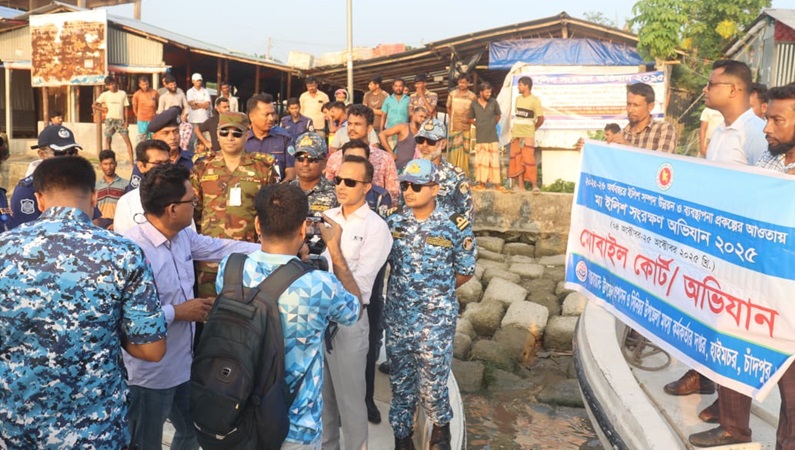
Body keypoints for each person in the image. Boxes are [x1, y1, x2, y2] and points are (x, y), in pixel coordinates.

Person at [0, 156, 167, 449]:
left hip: (17, 432)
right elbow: (152, 349)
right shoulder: (124, 253)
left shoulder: (4, 250)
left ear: (39, 199)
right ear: (94, 197)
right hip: (97, 433)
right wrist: (106, 327)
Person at [215, 183, 362, 449]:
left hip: (238, 413)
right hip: (296, 428)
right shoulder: (319, 285)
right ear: (303, 229)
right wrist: (335, 250)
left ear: (258, 225)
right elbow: (354, 311)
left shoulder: (230, 269)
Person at [123, 164, 260, 450]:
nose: (196, 208)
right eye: (192, 202)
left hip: (184, 366)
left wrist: (271, 249)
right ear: (173, 209)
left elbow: (219, 248)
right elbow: (125, 321)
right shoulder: (132, 251)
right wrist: (178, 312)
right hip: (149, 376)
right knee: (145, 444)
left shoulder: (183, 236)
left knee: (193, 433)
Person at [688, 82, 793, 449]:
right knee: (733, 348)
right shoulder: (769, 161)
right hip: (750, 278)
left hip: (788, 292)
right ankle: (733, 428)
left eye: (777, 121)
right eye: (768, 119)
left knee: (792, 383)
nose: (767, 128)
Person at [386, 158, 476, 450]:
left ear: (434, 189)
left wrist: (436, 292)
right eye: (405, 185)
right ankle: (402, 435)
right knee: (401, 380)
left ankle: (440, 427)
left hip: (435, 318)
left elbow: (465, 270)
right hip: (398, 316)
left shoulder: (454, 224)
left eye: (416, 186)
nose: (408, 191)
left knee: (434, 380)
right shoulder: (393, 221)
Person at [320, 154, 392, 449]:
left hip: (349, 322)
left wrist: (334, 247)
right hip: (317, 317)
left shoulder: (376, 228)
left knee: (351, 403)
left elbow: (358, 293)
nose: (341, 186)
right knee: (321, 401)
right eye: (338, 179)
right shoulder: (327, 216)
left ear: (367, 186)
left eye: (350, 181)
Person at [192, 111, 276, 298]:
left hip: (248, 257)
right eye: (224, 132)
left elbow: (270, 213)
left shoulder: (263, 168)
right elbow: (194, 211)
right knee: (208, 311)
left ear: (247, 135)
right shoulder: (202, 167)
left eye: (237, 133)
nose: (230, 138)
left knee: (244, 310)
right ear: (217, 135)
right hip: (209, 259)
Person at [10, 125, 81, 229]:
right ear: (42, 154)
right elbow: (27, 233)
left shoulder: (81, 185)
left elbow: (94, 222)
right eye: (60, 153)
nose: (67, 158)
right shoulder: (27, 191)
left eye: (71, 152)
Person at [325, 104, 400, 201]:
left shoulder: (384, 158)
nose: (352, 128)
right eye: (349, 124)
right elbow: (329, 190)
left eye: (357, 124)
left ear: (369, 128)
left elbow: (393, 193)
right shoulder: (335, 158)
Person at [703, 60, 767, 165]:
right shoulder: (720, 130)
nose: (705, 89)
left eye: (711, 84)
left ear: (732, 90)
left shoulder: (758, 133)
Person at [414, 118, 474, 222]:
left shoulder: (456, 176)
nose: (424, 145)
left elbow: (467, 215)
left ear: (443, 144)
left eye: (431, 141)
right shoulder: (410, 172)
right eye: (420, 140)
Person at [114, 139, 173, 235]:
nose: (164, 168)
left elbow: (190, 235)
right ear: (141, 166)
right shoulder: (127, 202)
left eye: (167, 163)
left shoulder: (180, 197)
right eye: (158, 163)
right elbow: (123, 239)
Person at [128, 107, 194, 191]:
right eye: (166, 133)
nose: (173, 137)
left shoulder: (194, 160)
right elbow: (134, 193)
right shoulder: (146, 162)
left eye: (176, 132)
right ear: (154, 137)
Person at [245, 93, 296, 182]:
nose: (271, 118)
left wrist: (280, 188)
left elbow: (291, 171)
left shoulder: (284, 138)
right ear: (252, 116)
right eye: (266, 114)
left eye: (273, 114)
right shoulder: (242, 141)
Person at [288, 131, 338, 215]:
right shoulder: (286, 191)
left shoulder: (336, 193)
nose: (305, 164)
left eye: (311, 159)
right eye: (300, 158)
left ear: (324, 162)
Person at [510, 76, 545, 192]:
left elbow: (541, 119)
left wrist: (533, 129)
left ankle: (534, 185)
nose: (518, 87)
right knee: (517, 159)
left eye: (520, 85)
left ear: (526, 86)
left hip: (528, 134)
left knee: (529, 159)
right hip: (516, 134)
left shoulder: (535, 100)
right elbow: (518, 116)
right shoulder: (518, 99)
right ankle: (521, 186)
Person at [622, 82, 678, 153]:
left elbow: (662, 158)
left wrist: (627, 145)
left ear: (650, 106)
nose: (630, 110)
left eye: (636, 105)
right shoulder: (622, 134)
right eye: (628, 104)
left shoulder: (664, 130)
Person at [469, 81, 504, 191]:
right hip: (481, 137)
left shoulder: (494, 102)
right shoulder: (474, 104)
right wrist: (479, 125)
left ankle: (497, 184)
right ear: (481, 92)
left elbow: (498, 116)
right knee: (482, 161)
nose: (489, 94)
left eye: (490, 92)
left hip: (493, 136)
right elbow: (470, 119)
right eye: (487, 92)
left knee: (494, 161)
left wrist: (492, 124)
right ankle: (482, 183)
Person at [93, 75, 134, 163]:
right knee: (108, 140)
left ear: (115, 82)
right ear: (107, 86)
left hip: (120, 120)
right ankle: (109, 160)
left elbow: (126, 107)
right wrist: (102, 109)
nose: (112, 86)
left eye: (113, 83)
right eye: (110, 85)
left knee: (127, 140)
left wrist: (126, 121)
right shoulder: (105, 94)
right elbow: (94, 105)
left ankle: (132, 162)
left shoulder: (122, 93)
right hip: (110, 120)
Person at [379, 106, 429, 171]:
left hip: (416, 169)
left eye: (425, 117)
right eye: (421, 116)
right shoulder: (403, 127)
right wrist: (391, 152)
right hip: (401, 167)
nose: (423, 119)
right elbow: (382, 135)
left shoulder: (422, 132)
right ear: (413, 115)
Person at [446, 74, 476, 177]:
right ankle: (452, 174)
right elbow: (448, 107)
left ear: (468, 83)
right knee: (453, 151)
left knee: (465, 151)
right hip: (454, 127)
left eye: (464, 82)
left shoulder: (472, 96)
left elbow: (475, 110)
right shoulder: (452, 94)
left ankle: (463, 174)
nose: (461, 84)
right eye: (460, 82)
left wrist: (469, 119)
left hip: (466, 127)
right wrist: (452, 117)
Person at [95, 149, 129, 223]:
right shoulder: (95, 186)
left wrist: (117, 223)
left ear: (115, 164)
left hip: (119, 224)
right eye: (105, 164)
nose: (109, 167)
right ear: (100, 165)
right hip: (100, 225)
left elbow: (128, 208)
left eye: (111, 163)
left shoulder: (126, 184)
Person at [133, 75, 159, 142]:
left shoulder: (155, 92)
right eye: (143, 84)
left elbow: (158, 105)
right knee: (142, 138)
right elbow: (134, 108)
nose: (145, 86)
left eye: (147, 84)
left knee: (152, 138)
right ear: (139, 85)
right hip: (142, 120)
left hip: (153, 119)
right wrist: (139, 117)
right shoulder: (137, 94)